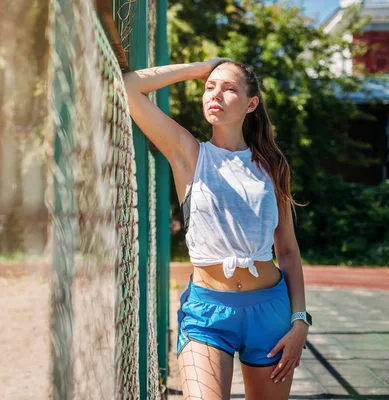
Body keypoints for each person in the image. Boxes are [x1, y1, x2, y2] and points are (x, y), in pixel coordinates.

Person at [123, 58, 311, 400]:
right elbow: (128, 85)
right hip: (207, 314)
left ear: (251, 103)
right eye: (210, 88)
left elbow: (286, 251)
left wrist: (300, 321)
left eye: (229, 89)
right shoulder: (189, 153)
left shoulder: (272, 165)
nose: (216, 94)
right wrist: (200, 68)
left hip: (270, 312)